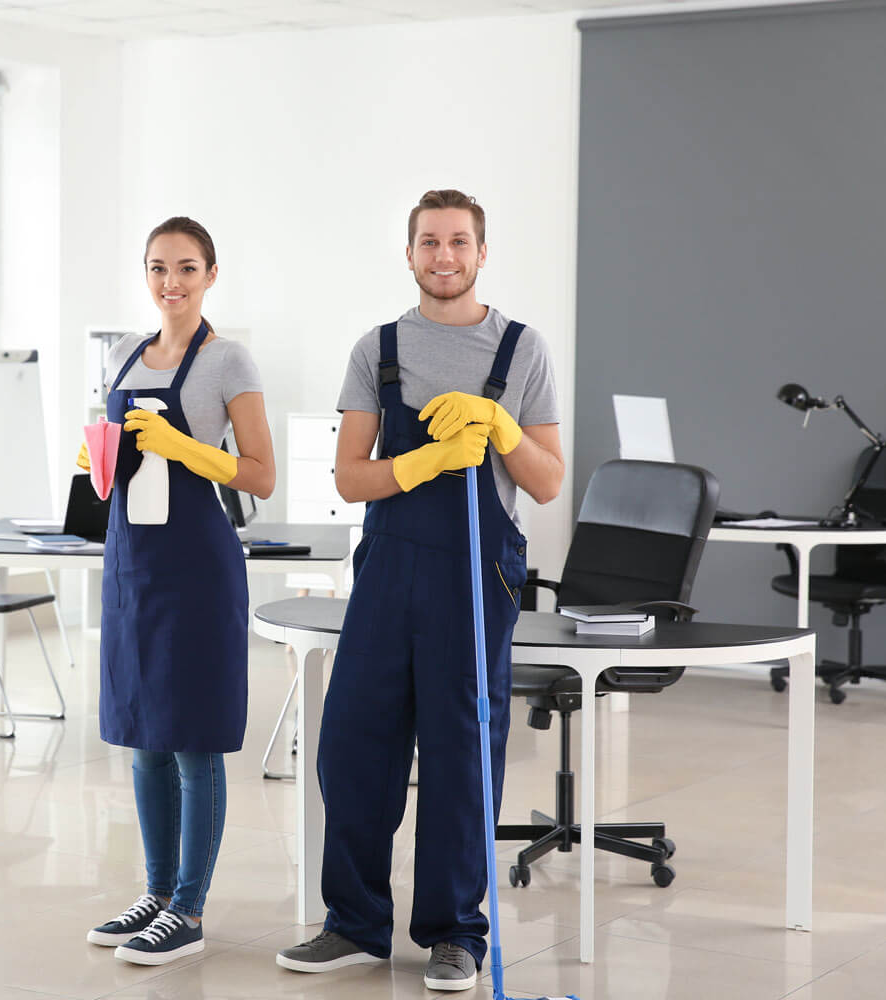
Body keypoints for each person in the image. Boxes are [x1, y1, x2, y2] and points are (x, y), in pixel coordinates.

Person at [276, 190, 563, 991]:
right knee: (353, 746)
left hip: (476, 579)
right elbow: (349, 477)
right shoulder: (378, 349)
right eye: (429, 243)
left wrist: (503, 429)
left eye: (459, 242)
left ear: (481, 253)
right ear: (409, 254)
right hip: (388, 573)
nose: (444, 256)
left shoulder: (521, 350)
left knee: (459, 755)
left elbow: (545, 482)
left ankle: (453, 933)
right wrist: (423, 463)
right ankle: (356, 924)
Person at [80, 217, 276, 966]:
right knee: (143, 739)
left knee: (192, 740)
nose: (172, 282)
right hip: (132, 566)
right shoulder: (128, 355)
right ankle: (155, 895)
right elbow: (118, 470)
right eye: (159, 268)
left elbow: (259, 473)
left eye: (187, 268)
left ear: (211, 274)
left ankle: (190, 909)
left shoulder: (229, 360)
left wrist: (187, 448)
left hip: (196, 566)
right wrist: (97, 455)